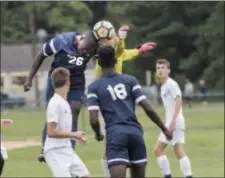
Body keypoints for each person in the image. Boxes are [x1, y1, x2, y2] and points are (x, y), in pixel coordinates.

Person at [87, 46, 172, 178]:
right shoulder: (130, 80)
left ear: (98, 62)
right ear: (116, 61)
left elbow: (93, 119)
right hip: (135, 134)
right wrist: (164, 129)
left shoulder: (94, 87)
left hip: (115, 136)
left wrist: (98, 133)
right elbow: (147, 107)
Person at [23, 31, 98, 162]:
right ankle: (46, 147)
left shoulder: (93, 49)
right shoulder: (60, 42)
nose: (84, 52)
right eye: (84, 48)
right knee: (53, 113)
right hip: (57, 79)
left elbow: (103, 60)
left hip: (76, 82)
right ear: (82, 39)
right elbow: (41, 56)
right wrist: (30, 78)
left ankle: (70, 150)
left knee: (74, 112)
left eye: (87, 51)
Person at [94, 24, 157, 177]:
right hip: (108, 102)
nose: (116, 38)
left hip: (119, 103)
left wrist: (140, 50)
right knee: (109, 144)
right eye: (114, 36)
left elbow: (125, 53)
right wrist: (121, 40)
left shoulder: (116, 53)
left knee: (117, 141)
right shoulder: (104, 58)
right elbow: (121, 51)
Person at [44, 67, 89, 177]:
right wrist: (73, 134)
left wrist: (74, 137)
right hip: (55, 151)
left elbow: (60, 130)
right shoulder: (55, 103)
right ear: (68, 82)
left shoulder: (63, 102)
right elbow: (51, 132)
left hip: (67, 149)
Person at [153, 59, 193, 178]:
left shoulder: (171, 84)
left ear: (168, 71)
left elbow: (178, 100)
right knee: (163, 150)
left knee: (169, 149)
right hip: (169, 123)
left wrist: (173, 121)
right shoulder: (163, 86)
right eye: (158, 68)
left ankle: (186, 176)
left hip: (174, 123)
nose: (160, 70)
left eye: (163, 68)